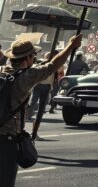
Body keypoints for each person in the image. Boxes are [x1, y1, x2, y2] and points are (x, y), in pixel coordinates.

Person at [1, 35, 82, 185]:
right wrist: (71, 46)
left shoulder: (2, 72)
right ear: (28, 58)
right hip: (7, 139)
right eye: (33, 56)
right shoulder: (26, 77)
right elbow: (52, 65)